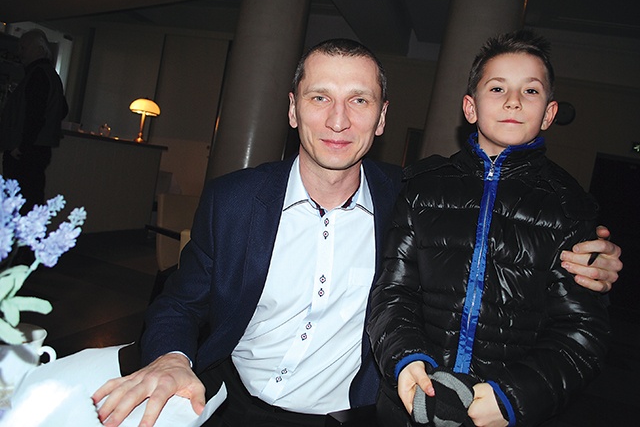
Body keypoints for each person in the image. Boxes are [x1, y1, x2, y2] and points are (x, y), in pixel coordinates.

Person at [92, 38, 622, 427]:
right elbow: (180, 303)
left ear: (382, 117)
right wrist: (170, 356)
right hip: (231, 403)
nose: (338, 120)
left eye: (360, 100)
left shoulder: (412, 199)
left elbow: (494, 220)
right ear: (293, 109)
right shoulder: (233, 201)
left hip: (353, 415)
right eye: (320, 98)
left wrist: (594, 257)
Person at [367, 30, 613, 427]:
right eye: (497, 88)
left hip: (503, 411)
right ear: (470, 107)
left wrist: (513, 397)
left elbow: (580, 332)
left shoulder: (569, 208)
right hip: (410, 402)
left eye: (530, 91)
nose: (513, 101)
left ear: (549, 113)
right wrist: (407, 361)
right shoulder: (423, 189)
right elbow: (393, 293)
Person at [0, 28, 69, 213]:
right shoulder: (50, 75)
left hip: (25, 152)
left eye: (24, 47)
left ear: (39, 49)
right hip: (36, 150)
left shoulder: (37, 75)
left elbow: (34, 116)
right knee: (29, 199)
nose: (20, 52)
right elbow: (61, 110)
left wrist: (21, 146)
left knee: (20, 201)